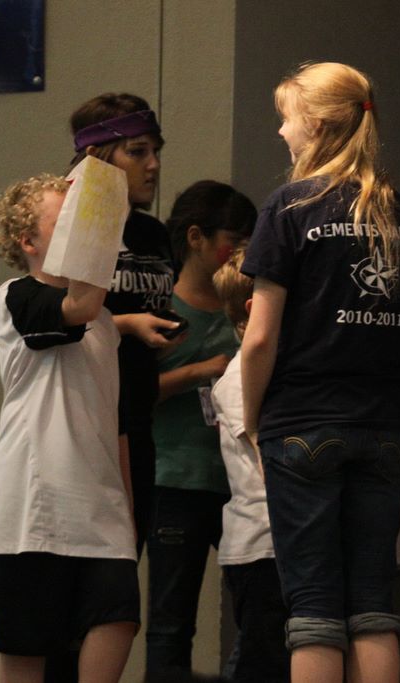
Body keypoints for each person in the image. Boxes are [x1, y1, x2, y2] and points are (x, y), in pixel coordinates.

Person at [239, 61, 400, 683]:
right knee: (373, 604)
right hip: (383, 429)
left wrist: (253, 421)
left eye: (286, 119)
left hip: (301, 425)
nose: (281, 132)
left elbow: (260, 337)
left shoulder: (289, 207)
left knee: (315, 609)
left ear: (318, 125)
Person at [0, 175, 138, 683]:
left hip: (101, 509)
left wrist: (127, 509)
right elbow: (78, 306)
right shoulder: (18, 296)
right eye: (67, 220)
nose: (82, 230)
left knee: (119, 618)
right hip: (33, 508)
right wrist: (102, 205)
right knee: (28, 649)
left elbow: (113, 422)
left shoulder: (105, 323)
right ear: (29, 241)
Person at [145, 181, 257, 673]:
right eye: (234, 240)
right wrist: (199, 370)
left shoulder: (247, 307)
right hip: (176, 480)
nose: (245, 252)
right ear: (196, 238)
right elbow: (131, 394)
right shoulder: (160, 308)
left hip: (241, 485)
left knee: (260, 612)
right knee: (171, 622)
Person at [69, 93, 178, 555]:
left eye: (156, 151)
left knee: (126, 553)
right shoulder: (71, 222)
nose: (153, 165)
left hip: (139, 409)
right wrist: (129, 324)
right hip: (87, 415)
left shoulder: (153, 233)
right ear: (97, 156)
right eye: (137, 152)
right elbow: (51, 315)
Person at [211, 243, 291, 683]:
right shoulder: (239, 378)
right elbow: (270, 462)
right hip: (261, 546)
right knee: (260, 662)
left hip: (283, 544)